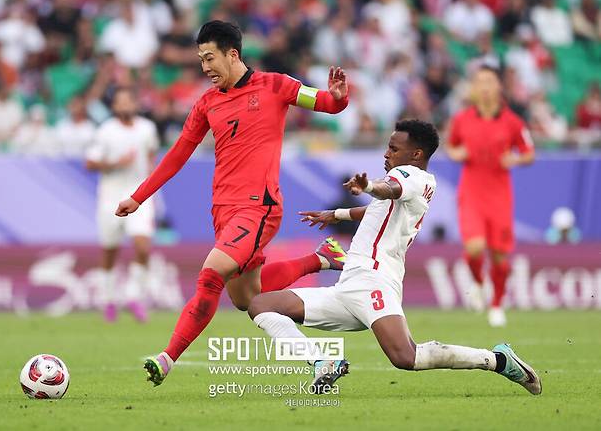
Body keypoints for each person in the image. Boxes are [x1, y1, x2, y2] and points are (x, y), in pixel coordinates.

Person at [114, 20, 349, 386]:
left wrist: (338, 97)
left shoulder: (276, 85)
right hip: (224, 210)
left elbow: (325, 103)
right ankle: (322, 259)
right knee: (247, 299)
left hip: (259, 207)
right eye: (201, 60)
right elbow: (178, 154)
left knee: (211, 275)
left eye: (209, 58)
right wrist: (138, 197)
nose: (205, 67)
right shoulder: (207, 103)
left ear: (232, 54)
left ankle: (167, 357)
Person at [248, 119, 541, 396]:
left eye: (393, 148)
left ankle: (497, 360)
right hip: (350, 285)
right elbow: (380, 207)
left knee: (405, 356)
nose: (386, 154)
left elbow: (389, 190)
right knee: (262, 304)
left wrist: (369, 187)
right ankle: (321, 362)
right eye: (388, 147)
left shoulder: (406, 175)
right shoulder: (422, 182)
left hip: (373, 280)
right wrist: (337, 214)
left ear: (415, 154)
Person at [445, 65, 535, 327]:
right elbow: (451, 146)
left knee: (498, 254)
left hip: (499, 194)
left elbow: (529, 152)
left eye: (490, 82)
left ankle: (496, 304)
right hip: (471, 191)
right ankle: (478, 282)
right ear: (474, 88)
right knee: (474, 248)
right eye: (480, 82)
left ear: (498, 87)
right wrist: (456, 153)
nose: (485, 87)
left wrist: (515, 159)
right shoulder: (462, 119)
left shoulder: (513, 122)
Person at [86, 87, 158, 323]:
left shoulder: (147, 129)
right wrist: (117, 163)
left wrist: (152, 182)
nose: (125, 105)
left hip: (139, 196)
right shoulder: (106, 131)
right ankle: (108, 300)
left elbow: (151, 157)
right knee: (109, 251)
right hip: (110, 197)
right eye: (121, 102)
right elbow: (90, 162)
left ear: (135, 104)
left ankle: (133, 296)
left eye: (129, 100)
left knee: (143, 246)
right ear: (114, 106)